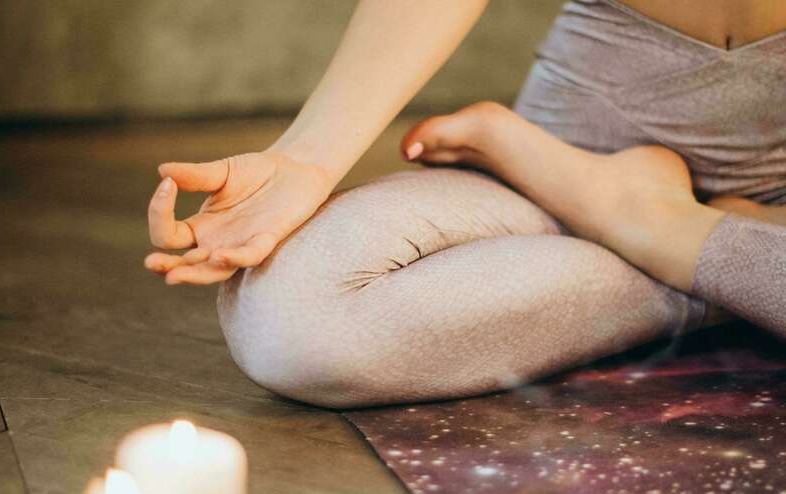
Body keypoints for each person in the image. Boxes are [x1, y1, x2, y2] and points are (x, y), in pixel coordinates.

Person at [143, 0, 786, 408]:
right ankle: (704, 247)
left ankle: (660, 227)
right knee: (286, 321)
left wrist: (692, 239)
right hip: (570, 151)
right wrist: (309, 156)